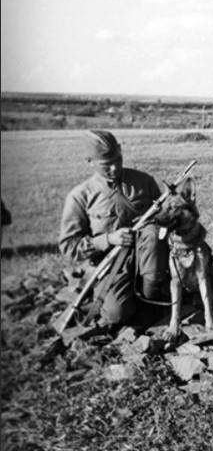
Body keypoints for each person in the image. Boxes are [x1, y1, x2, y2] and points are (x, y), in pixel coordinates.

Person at [59, 130, 168, 327]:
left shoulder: (144, 182)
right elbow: (69, 246)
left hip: (151, 257)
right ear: (90, 161)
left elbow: (165, 219)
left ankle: (150, 300)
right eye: (106, 164)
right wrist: (108, 239)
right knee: (117, 314)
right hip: (111, 264)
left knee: (152, 234)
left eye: (118, 159)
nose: (115, 167)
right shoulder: (80, 196)